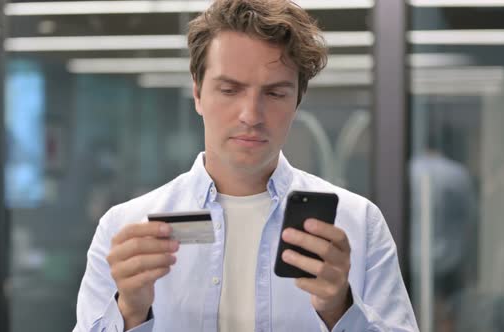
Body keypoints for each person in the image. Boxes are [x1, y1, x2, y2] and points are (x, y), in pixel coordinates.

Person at [74, 0, 418, 331]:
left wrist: (340, 309)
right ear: (197, 93)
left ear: (297, 100)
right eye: (229, 90)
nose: (251, 116)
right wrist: (129, 312)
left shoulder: (358, 224)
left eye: (274, 93)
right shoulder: (125, 228)